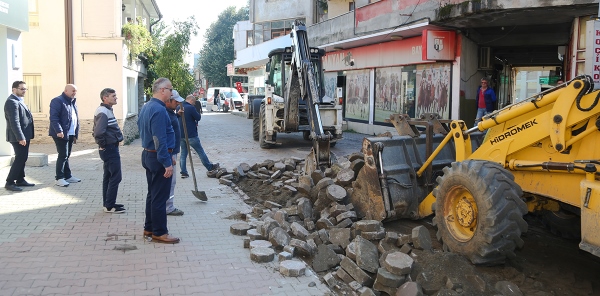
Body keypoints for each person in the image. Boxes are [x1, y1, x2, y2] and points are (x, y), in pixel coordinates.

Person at [138, 77, 180, 244]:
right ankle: (159, 232)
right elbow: (159, 138)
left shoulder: (147, 106)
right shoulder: (159, 109)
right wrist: (166, 162)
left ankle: (149, 228)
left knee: (153, 195)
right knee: (160, 197)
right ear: (162, 90)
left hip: (149, 155)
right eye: (170, 89)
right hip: (157, 157)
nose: (171, 93)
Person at [93, 88, 126, 214]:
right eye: (113, 96)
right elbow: (98, 132)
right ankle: (109, 206)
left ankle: (108, 204)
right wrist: (102, 145)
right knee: (116, 176)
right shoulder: (103, 112)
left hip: (110, 147)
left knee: (108, 176)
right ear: (105, 98)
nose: (116, 98)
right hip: (109, 148)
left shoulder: (106, 110)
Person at [178, 94, 219, 179]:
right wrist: (196, 110)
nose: (194, 104)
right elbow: (198, 117)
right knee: (200, 151)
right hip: (191, 135)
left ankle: (183, 172)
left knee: (183, 153)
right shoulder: (191, 108)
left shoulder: (179, 107)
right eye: (194, 103)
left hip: (181, 135)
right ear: (192, 101)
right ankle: (209, 167)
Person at [4, 81, 35, 192]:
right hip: (18, 137)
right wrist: (20, 137)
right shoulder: (12, 102)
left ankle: (20, 179)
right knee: (20, 158)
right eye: (22, 89)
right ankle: (10, 182)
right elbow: (14, 122)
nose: (24, 91)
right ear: (14, 89)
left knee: (23, 157)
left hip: (24, 135)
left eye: (25, 89)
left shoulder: (19, 100)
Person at [49, 84, 81, 187]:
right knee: (63, 155)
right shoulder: (57, 101)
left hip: (70, 133)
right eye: (72, 91)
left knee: (66, 155)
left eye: (75, 91)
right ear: (66, 90)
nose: (74, 93)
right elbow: (54, 117)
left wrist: (75, 133)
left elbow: (75, 118)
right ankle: (59, 178)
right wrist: (59, 130)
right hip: (61, 134)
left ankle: (68, 176)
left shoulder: (72, 102)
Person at [165, 90, 185, 216]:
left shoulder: (170, 113)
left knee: (169, 182)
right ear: (168, 100)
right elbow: (162, 136)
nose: (178, 103)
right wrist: (169, 154)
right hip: (169, 153)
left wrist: (176, 115)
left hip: (171, 152)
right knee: (170, 182)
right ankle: (168, 207)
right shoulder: (164, 113)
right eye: (175, 101)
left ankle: (166, 205)